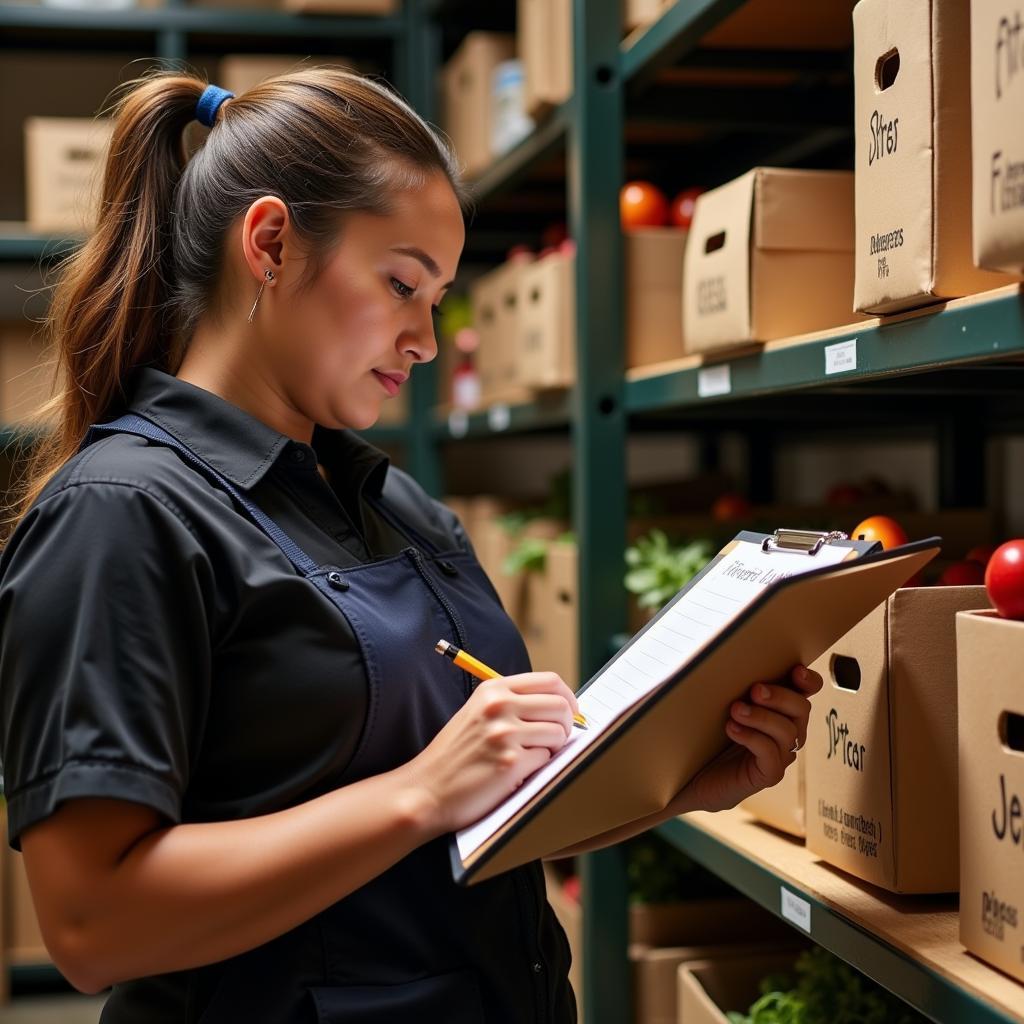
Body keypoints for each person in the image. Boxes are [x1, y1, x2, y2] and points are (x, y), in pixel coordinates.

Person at [0, 70, 821, 1023]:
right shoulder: (123, 515)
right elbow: (94, 923)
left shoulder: (395, 505)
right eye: (401, 284)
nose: (426, 339)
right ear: (269, 245)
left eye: (436, 296)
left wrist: (678, 778)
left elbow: (484, 813)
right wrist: (421, 790)